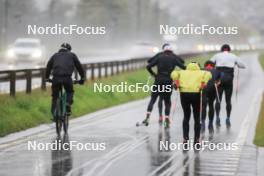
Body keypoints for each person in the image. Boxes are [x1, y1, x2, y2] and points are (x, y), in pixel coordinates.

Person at [142, 43, 185, 128]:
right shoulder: (174, 57)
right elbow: (183, 66)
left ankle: (147, 117)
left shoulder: (159, 56)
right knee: (167, 101)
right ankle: (166, 120)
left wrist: (154, 74)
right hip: (168, 81)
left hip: (158, 80)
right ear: (171, 51)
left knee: (153, 99)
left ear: (164, 50)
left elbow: (148, 66)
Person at [171, 62, 212, 144]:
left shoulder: (182, 72)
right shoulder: (202, 72)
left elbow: (173, 73)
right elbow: (209, 74)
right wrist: (204, 82)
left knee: (186, 116)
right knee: (197, 117)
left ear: (188, 67)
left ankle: (185, 138)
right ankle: (197, 139)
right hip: (196, 94)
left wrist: (176, 81)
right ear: (197, 66)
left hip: (184, 94)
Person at [210, 44, 246, 127]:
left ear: (221, 50)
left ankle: (217, 118)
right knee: (228, 101)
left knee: (218, 100)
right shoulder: (233, 56)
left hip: (219, 81)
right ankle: (228, 118)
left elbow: (209, 64)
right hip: (229, 81)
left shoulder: (217, 55)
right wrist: (236, 64)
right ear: (229, 50)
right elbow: (243, 66)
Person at [46, 43, 85, 117]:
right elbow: (79, 67)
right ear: (69, 50)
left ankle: (54, 112)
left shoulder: (55, 55)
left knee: (55, 96)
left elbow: (48, 66)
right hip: (67, 78)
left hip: (56, 78)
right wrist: (82, 78)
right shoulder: (72, 55)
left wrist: (47, 78)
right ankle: (67, 103)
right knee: (69, 91)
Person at [201, 61, 222, 134]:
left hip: (204, 88)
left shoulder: (201, 69)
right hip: (212, 88)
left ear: (205, 65)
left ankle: (203, 123)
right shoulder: (217, 71)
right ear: (213, 66)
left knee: (203, 106)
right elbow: (218, 82)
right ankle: (210, 124)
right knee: (211, 105)